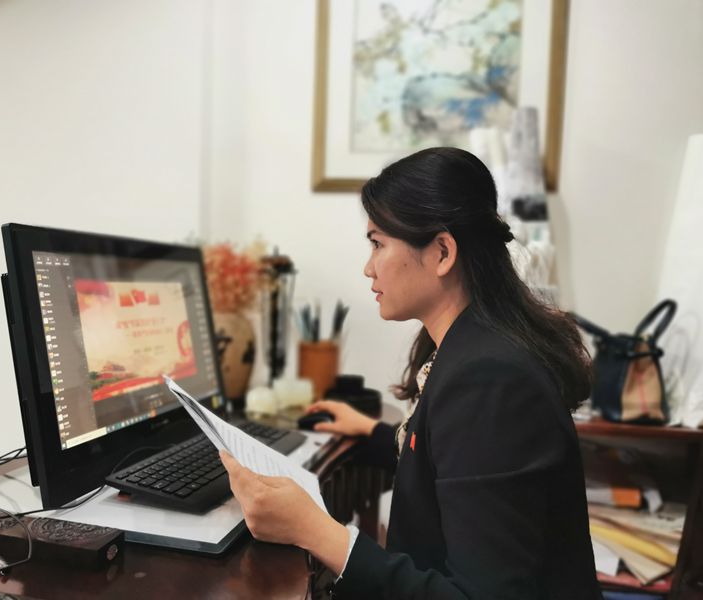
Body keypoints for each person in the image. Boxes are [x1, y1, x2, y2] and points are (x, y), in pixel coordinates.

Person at [219, 147, 602, 599]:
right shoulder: (476, 348)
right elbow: (457, 461)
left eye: (378, 243)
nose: (368, 267)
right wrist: (376, 434)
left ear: (442, 252)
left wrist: (315, 530)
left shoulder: (490, 380)